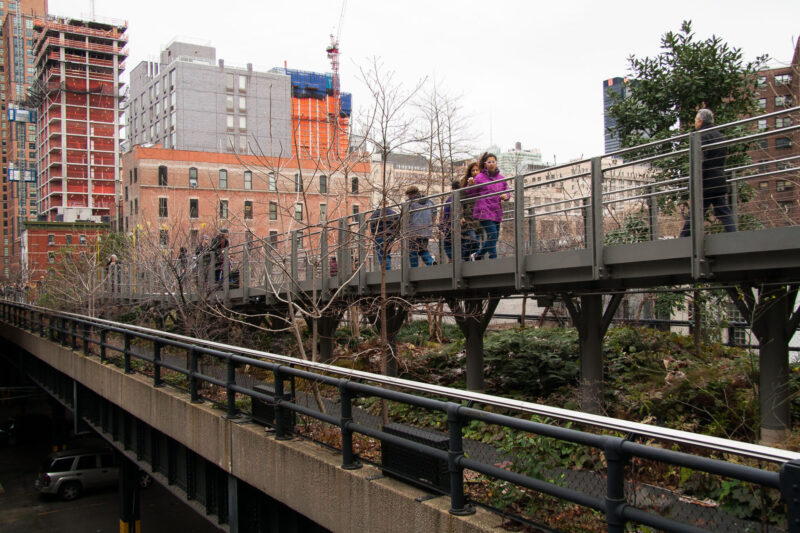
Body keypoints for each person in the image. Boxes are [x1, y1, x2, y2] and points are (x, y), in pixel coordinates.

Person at [680, 108, 736, 237]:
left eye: (695, 120)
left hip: (705, 181)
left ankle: (682, 240)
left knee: (696, 212)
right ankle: (734, 235)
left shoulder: (701, 136)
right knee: (723, 211)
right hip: (718, 179)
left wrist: (694, 182)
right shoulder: (720, 137)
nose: (694, 123)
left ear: (700, 121)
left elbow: (700, 161)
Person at [466, 152, 510, 260]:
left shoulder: (501, 178)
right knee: (493, 235)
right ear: (485, 164)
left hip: (496, 211)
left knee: (493, 237)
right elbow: (471, 193)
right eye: (489, 162)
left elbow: (507, 191)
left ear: (496, 163)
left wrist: (506, 196)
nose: (491, 164)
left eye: (493, 162)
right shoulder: (480, 177)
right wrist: (471, 185)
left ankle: (478, 255)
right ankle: (491, 258)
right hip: (484, 210)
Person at [440, 178, 478, 261]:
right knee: (463, 246)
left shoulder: (451, 199)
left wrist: (443, 227)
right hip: (464, 225)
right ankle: (464, 261)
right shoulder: (465, 197)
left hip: (452, 227)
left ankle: (458, 261)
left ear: (452, 189)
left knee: (447, 246)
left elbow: (446, 214)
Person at [405, 186, 437, 267]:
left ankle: (414, 269)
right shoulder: (430, 202)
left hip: (413, 232)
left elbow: (406, 219)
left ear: (410, 194)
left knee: (412, 251)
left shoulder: (410, 204)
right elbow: (434, 216)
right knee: (423, 250)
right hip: (426, 232)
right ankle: (431, 262)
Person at [369, 200, 399, 271]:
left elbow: (372, 225)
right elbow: (397, 224)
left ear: (380, 205)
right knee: (387, 253)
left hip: (379, 236)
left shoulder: (375, 214)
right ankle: (388, 270)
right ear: (388, 204)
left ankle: (387, 271)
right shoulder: (393, 213)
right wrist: (395, 234)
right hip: (390, 236)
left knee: (382, 255)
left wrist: (374, 234)